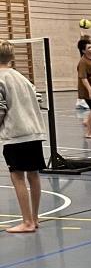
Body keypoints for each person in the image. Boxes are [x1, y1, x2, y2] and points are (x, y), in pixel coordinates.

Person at [0, 41, 48, 234]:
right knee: (33, 175)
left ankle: (27, 222)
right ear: (12, 57)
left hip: (16, 134)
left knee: (17, 176)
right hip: (34, 132)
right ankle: (34, 218)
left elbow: (0, 109)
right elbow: (38, 98)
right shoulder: (22, 77)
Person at [77, 36, 91, 139]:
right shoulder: (83, 62)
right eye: (89, 48)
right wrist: (90, 90)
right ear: (83, 51)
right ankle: (89, 132)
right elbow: (83, 78)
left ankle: (88, 121)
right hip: (88, 91)